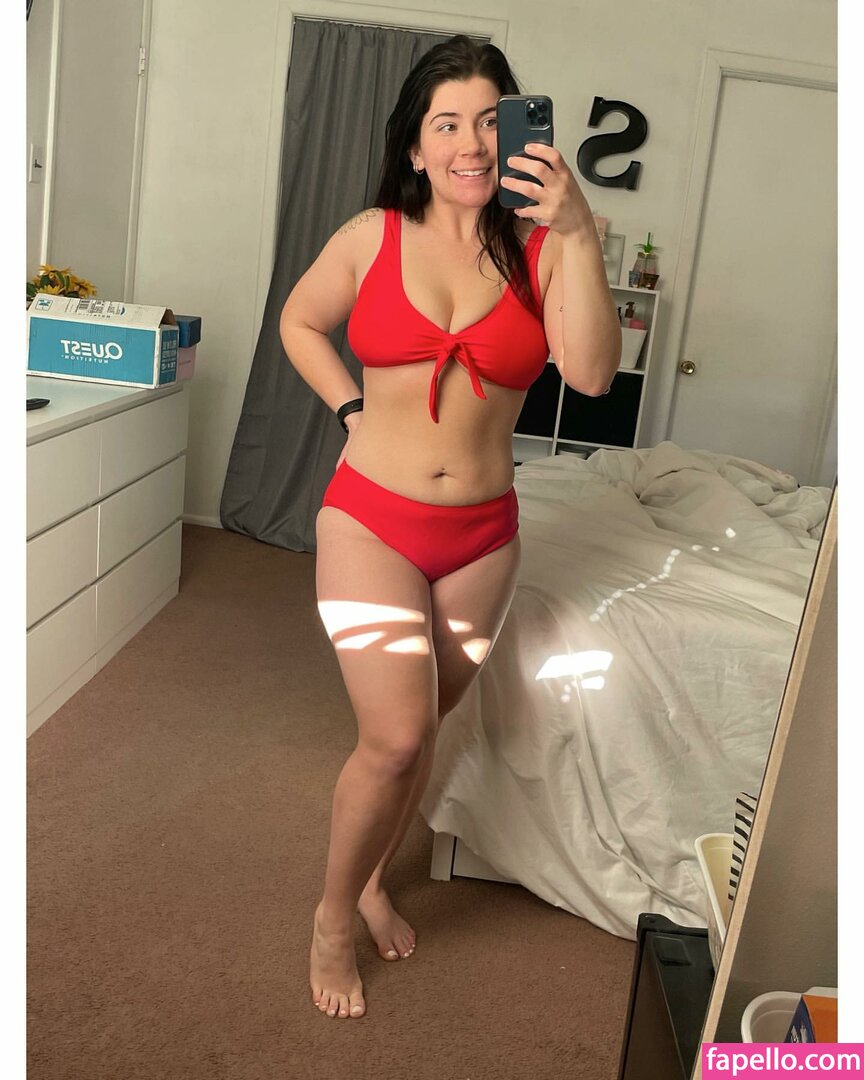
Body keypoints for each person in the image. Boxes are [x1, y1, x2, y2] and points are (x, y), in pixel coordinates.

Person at [279, 34, 621, 1021]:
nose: (470, 143)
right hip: (371, 520)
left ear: (517, 132)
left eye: (488, 120)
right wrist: (351, 410)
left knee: (424, 725)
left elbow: (592, 375)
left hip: (483, 538)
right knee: (392, 739)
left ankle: (372, 881)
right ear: (416, 146)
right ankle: (333, 917)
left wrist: (582, 233)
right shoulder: (371, 236)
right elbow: (301, 322)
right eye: (446, 124)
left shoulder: (547, 250)